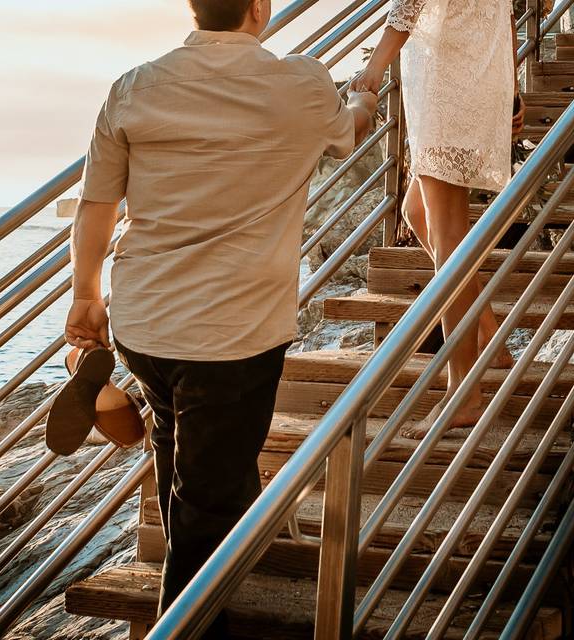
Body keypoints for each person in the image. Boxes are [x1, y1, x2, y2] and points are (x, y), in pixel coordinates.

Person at [59, 0, 379, 636]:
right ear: (259, 9)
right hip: (234, 334)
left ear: (195, 9)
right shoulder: (301, 84)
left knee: (184, 458)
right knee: (214, 506)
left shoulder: (134, 88)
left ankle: (111, 402)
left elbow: (96, 207)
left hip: (145, 322)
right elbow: (350, 125)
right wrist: (366, 94)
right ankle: (185, 624)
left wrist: (84, 296)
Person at [351, 0, 525, 437]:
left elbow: (406, 9)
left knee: (449, 239)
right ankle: (488, 334)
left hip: (449, 83)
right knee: (417, 212)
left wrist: (372, 74)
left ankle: (463, 391)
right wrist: (510, 85)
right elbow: (503, 13)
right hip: (473, 73)